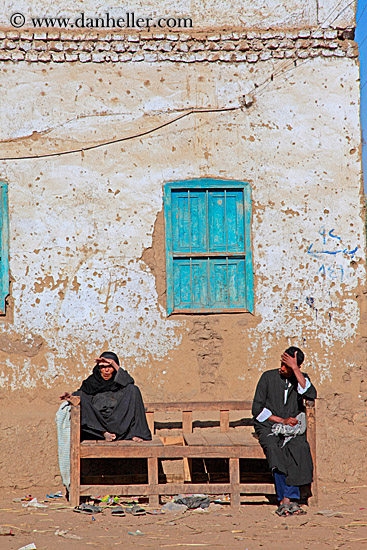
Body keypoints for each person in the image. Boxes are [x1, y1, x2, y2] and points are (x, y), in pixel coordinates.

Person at [252, 346, 317, 516]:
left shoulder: (301, 379)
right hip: (269, 426)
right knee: (274, 448)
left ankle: (289, 499)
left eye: (286, 366)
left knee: (299, 448)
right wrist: (281, 420)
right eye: (282, 364)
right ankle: (285, 498)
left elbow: (310, 393)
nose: (282, 368)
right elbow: (257, 410)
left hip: (292, 428)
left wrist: (295, 369)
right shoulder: (268, 377)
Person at [60, 351, 151, 442]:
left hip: (119, 423)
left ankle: (135, 433)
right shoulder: (91, 383)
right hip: (97, 424)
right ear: (99, 369)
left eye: (109, 367)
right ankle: (103, 433)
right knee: (79, 394)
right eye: (103, 367)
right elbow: (84, 404)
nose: (106, 370)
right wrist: (72, 398)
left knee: (133, 389)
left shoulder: (121, 384)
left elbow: (130, 381)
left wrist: (113, 363)